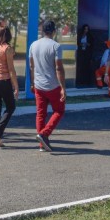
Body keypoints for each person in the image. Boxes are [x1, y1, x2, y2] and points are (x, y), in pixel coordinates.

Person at [29, 20, 66, 152]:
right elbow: (59, 68)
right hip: (53, 85)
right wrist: (63, 87)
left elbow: (31, 66)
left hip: (38, 85)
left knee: (40, 114)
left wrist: (32, 83)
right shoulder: (56, 46)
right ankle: (44, 134)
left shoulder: (33, 45)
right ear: (54, 31)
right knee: (59, 110)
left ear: (42, 30)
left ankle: (42, 145)